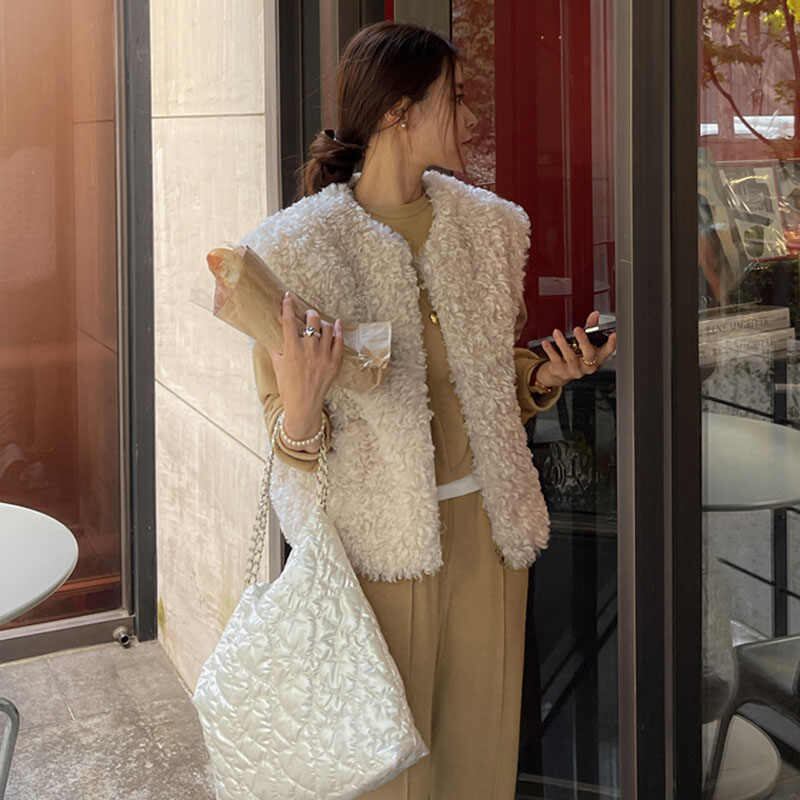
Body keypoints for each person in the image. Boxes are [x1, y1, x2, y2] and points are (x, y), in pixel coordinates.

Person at [246, 20, 617, 799]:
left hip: (488, 537)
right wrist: (304, 405)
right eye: (455, 97)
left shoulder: (490, 230)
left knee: (478, 769)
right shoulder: (296, 252)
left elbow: (483, 386)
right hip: (378, 554)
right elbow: (286, 439)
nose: (472, 117)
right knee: (390, 778)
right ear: (398, 112)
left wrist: (544, 375)